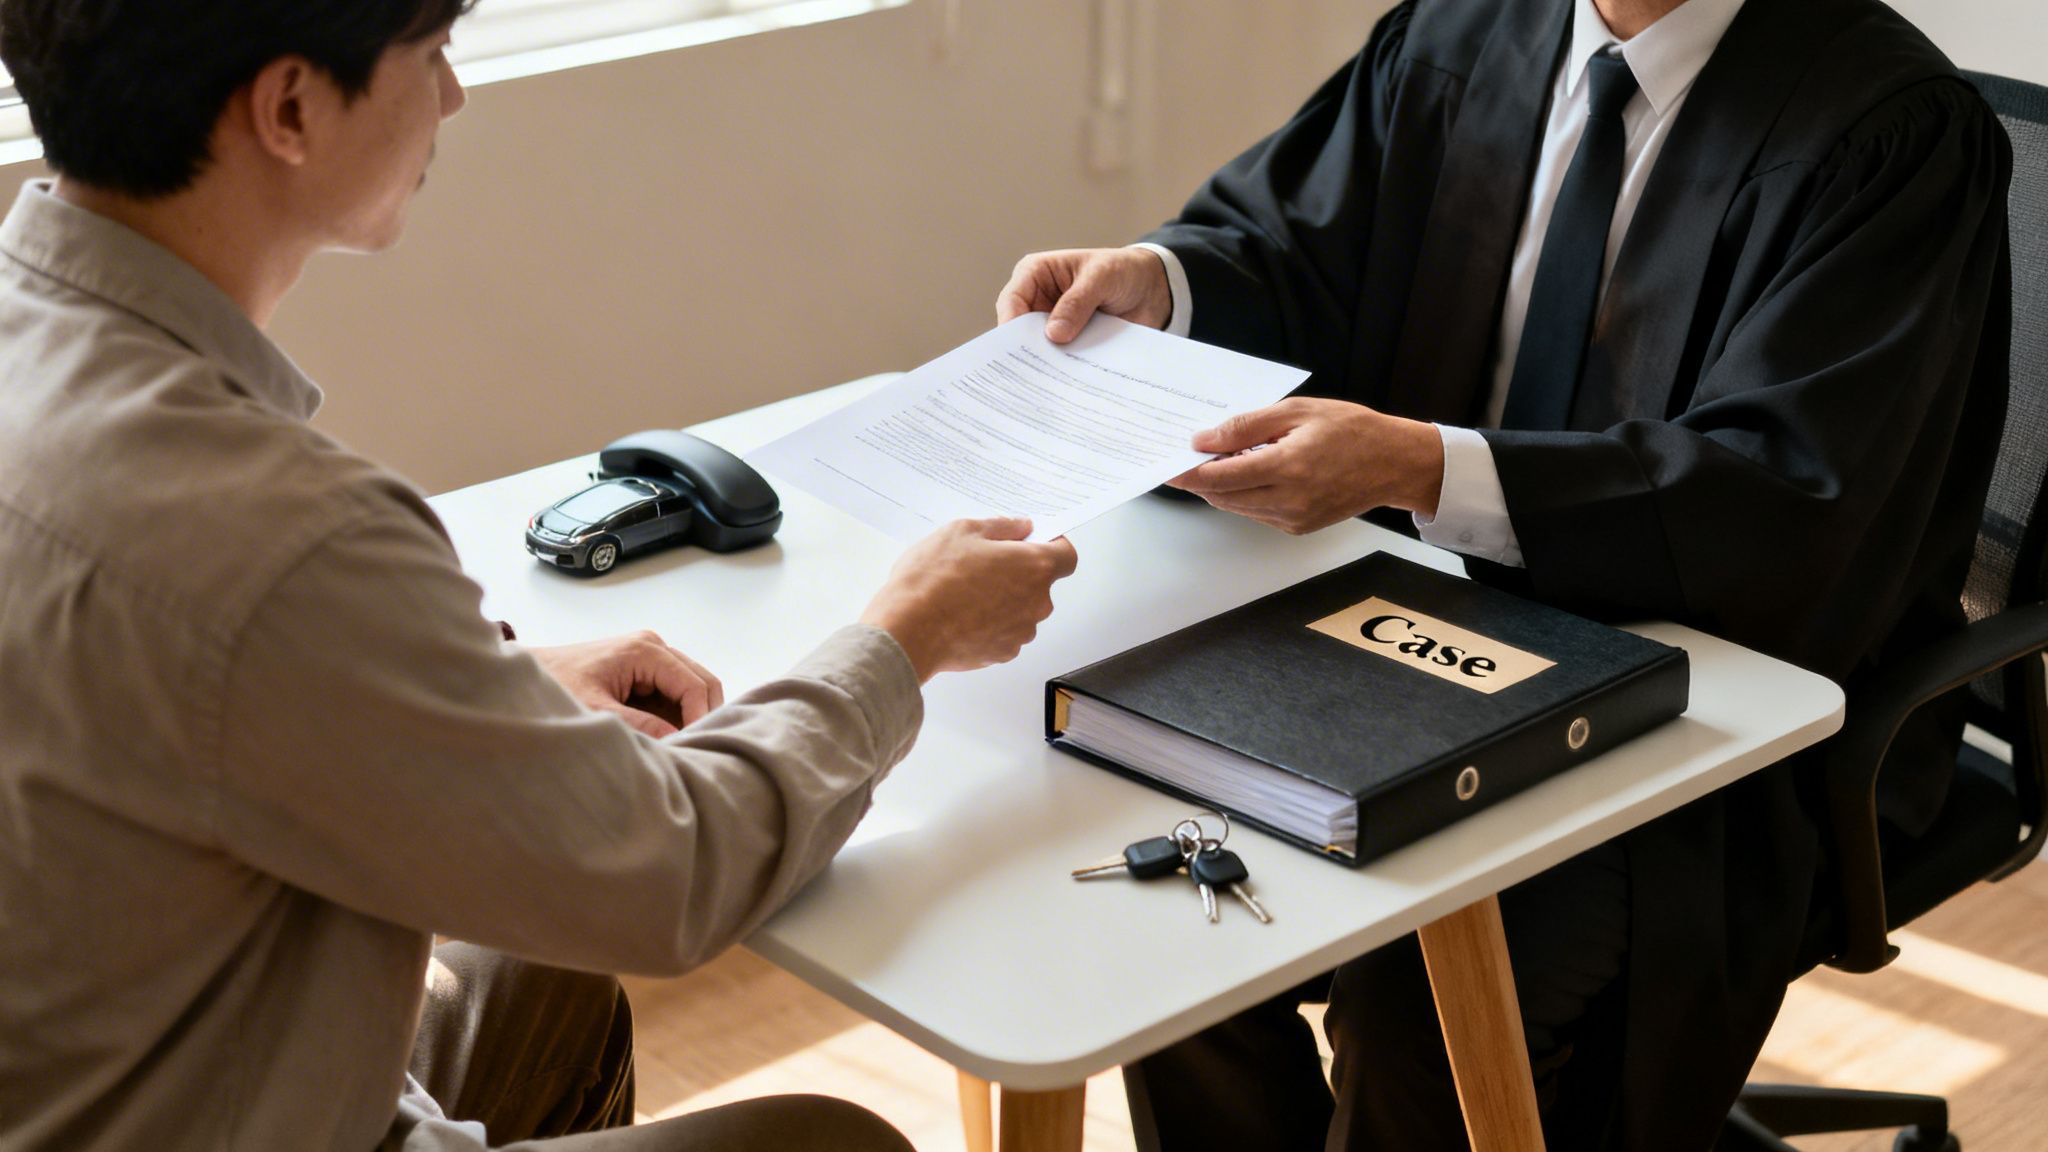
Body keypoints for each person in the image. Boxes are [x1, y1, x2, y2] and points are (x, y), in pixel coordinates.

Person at [0, 2, 1079, 1150]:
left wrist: (483, 681)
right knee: (831, 1142)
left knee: (539, 975)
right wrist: (905, 640)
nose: (453, 97)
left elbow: (174, 692)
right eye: (430, 57)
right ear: (291, 108)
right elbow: (673, 870)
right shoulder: (281, 532)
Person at [998, 0, 2010, 1148]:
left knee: (1426, 996)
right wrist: (1162, 283)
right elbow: (1293, 249)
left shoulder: (1889, 130)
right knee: (1174, 904)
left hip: (1722, 706)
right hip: (1395, 640)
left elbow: (1780, 498)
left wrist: (1425, 469)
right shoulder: (1462, 34)